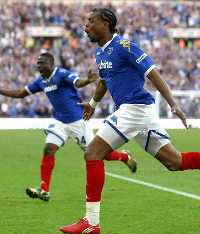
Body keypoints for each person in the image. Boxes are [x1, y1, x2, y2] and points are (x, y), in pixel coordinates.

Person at [59, 8, 200, 234]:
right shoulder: (100, 53)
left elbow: (153, 74)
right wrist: (93, 104)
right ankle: (91, 222)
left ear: (105, 23)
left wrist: (174, 105)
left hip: (135, 108)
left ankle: (91, 222)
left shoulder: (125, 46)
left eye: (90, 21)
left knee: (92, 152)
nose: (85, 26)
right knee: (175, 162)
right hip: (137, 112)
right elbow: (104, 81)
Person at [0, 52, 137, 201]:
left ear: (51, 64)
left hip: (78, 121)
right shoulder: (41, 81)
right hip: (60, 122)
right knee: (49, 149)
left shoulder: (62, 74)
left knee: (99, 154)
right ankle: (44, 189)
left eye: (42, 64)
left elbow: (77, 82)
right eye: (38, 64)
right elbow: (21, 93)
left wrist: (87, 81)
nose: (39, 67)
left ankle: (124, 156)